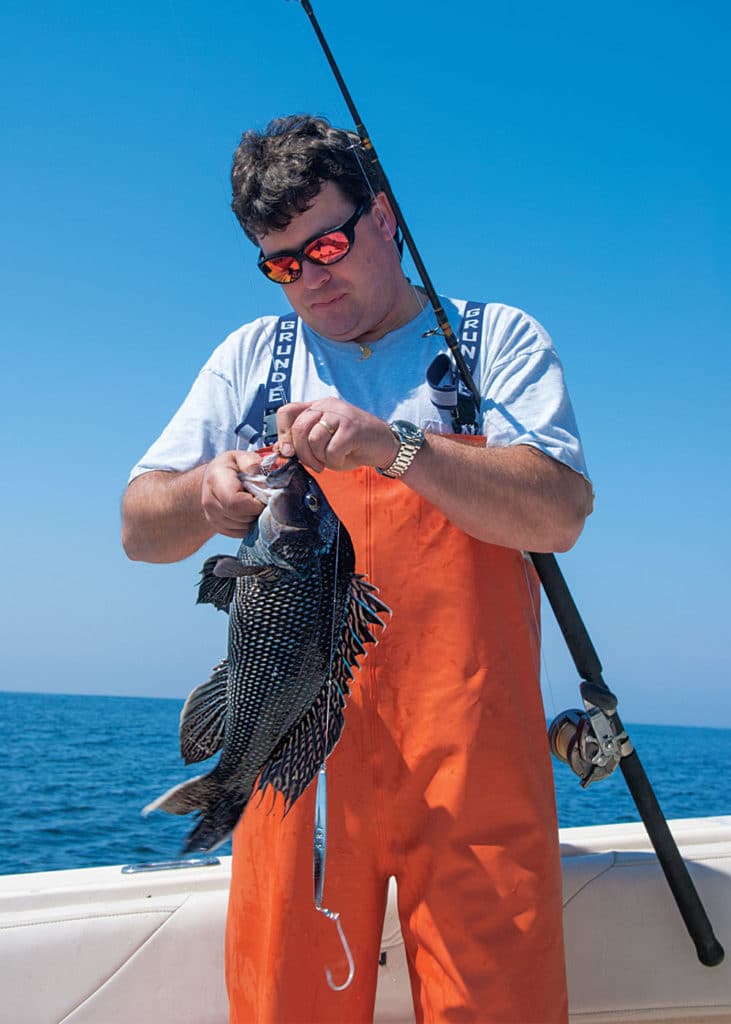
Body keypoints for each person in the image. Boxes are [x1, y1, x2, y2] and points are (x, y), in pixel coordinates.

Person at [122, 114, 593, 1023]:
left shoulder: (489, 342)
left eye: (327, 243)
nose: (311, 277)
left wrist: (400, 446)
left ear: (382, 216)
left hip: (471, 776)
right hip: (295, 759)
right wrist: (205, 494)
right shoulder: (253, 359)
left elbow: (558, 510)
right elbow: (142, 528)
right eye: (282, 263)